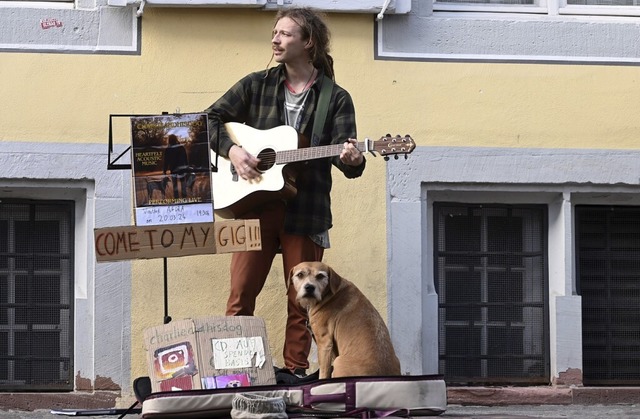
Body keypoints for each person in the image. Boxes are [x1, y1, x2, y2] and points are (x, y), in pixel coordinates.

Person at [205, 7, 366, 377]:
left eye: (285, 34)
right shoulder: (256, 84)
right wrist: (234, 151)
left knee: (304, 302)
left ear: (308, 42)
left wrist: (353, 159)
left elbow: (348, 163)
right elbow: (207, 120)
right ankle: (237, 373)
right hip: (253, 205)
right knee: (241, 295)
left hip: (305, 208)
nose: (275, 39)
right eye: (275, 33)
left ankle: (295, 375)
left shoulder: (335, 97)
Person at [163, 134, 190, 199]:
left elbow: (166, 160)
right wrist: (187, 166)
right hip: (182, 168)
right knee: (183, 182)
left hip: (173, 168)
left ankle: (176, 197)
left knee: (174, 183)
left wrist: (165, 169)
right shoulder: (181, 147)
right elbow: (185, 158)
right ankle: (184, 196)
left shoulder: (168, 149)